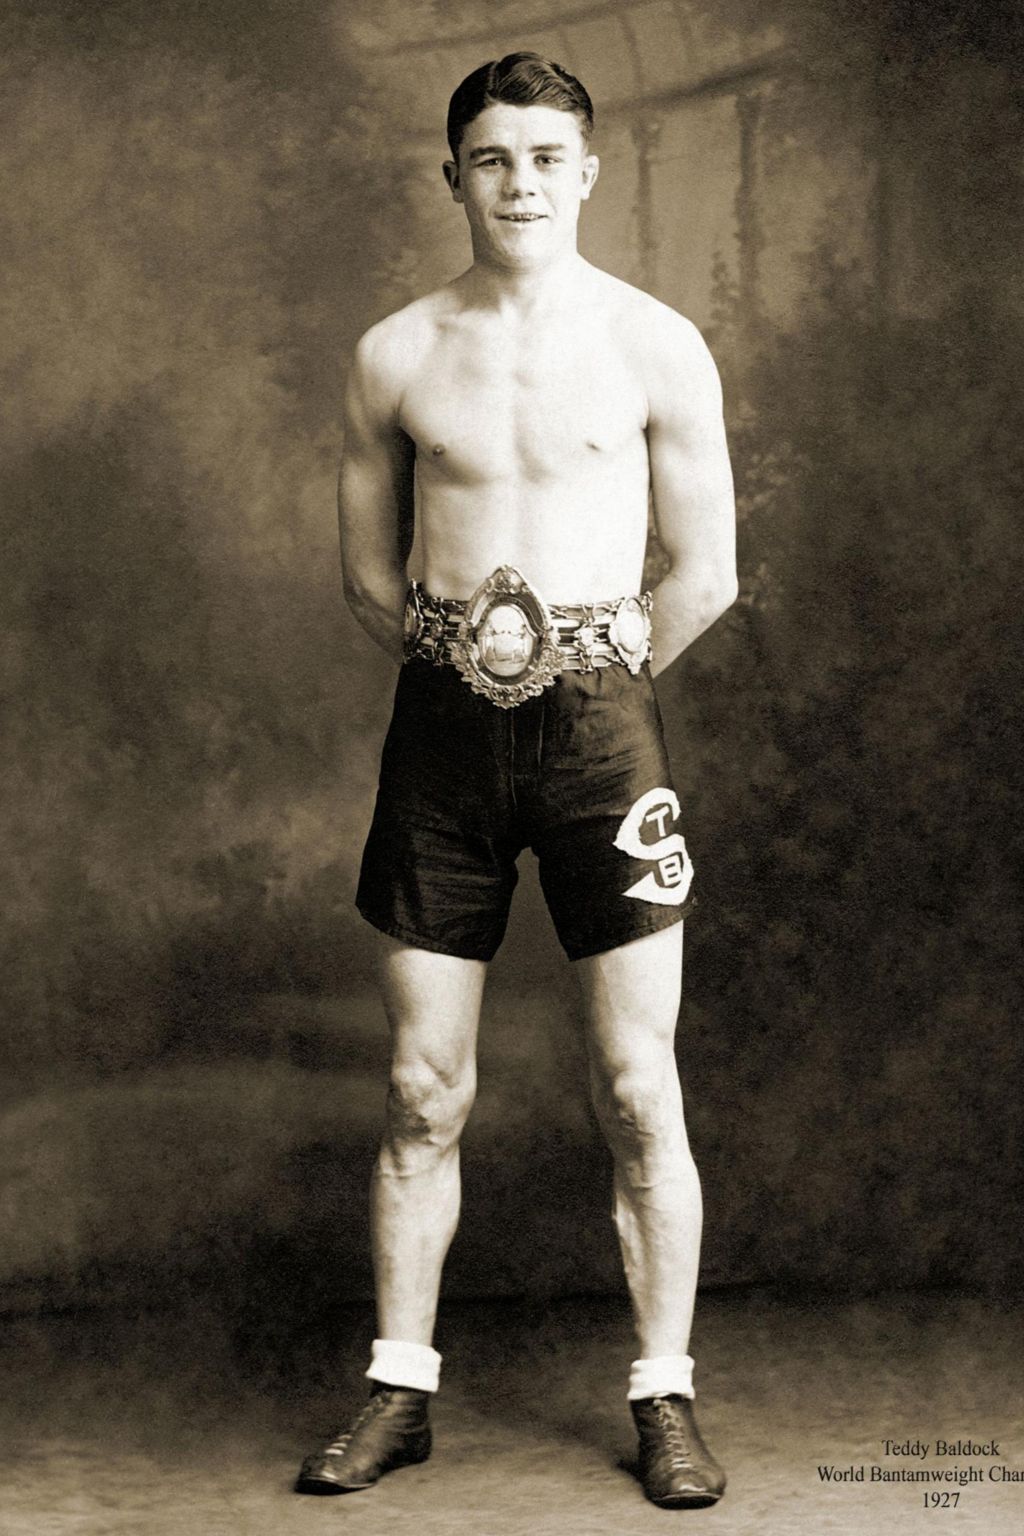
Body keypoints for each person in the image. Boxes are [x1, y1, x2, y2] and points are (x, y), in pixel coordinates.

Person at [295, 51, 737, 1510]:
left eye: (549, 157)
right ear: (454, 177)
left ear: (589, 174)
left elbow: (710, 572)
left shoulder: (659, 344)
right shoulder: (394, 353)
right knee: (424, 1089)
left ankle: (663, 1392)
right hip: (442, 742)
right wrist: (476, 677)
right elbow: (369, 580)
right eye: (493, 159)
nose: (522, 183)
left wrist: (588, 685)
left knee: (633, 1081)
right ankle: (400, 1389)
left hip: (607, 734)